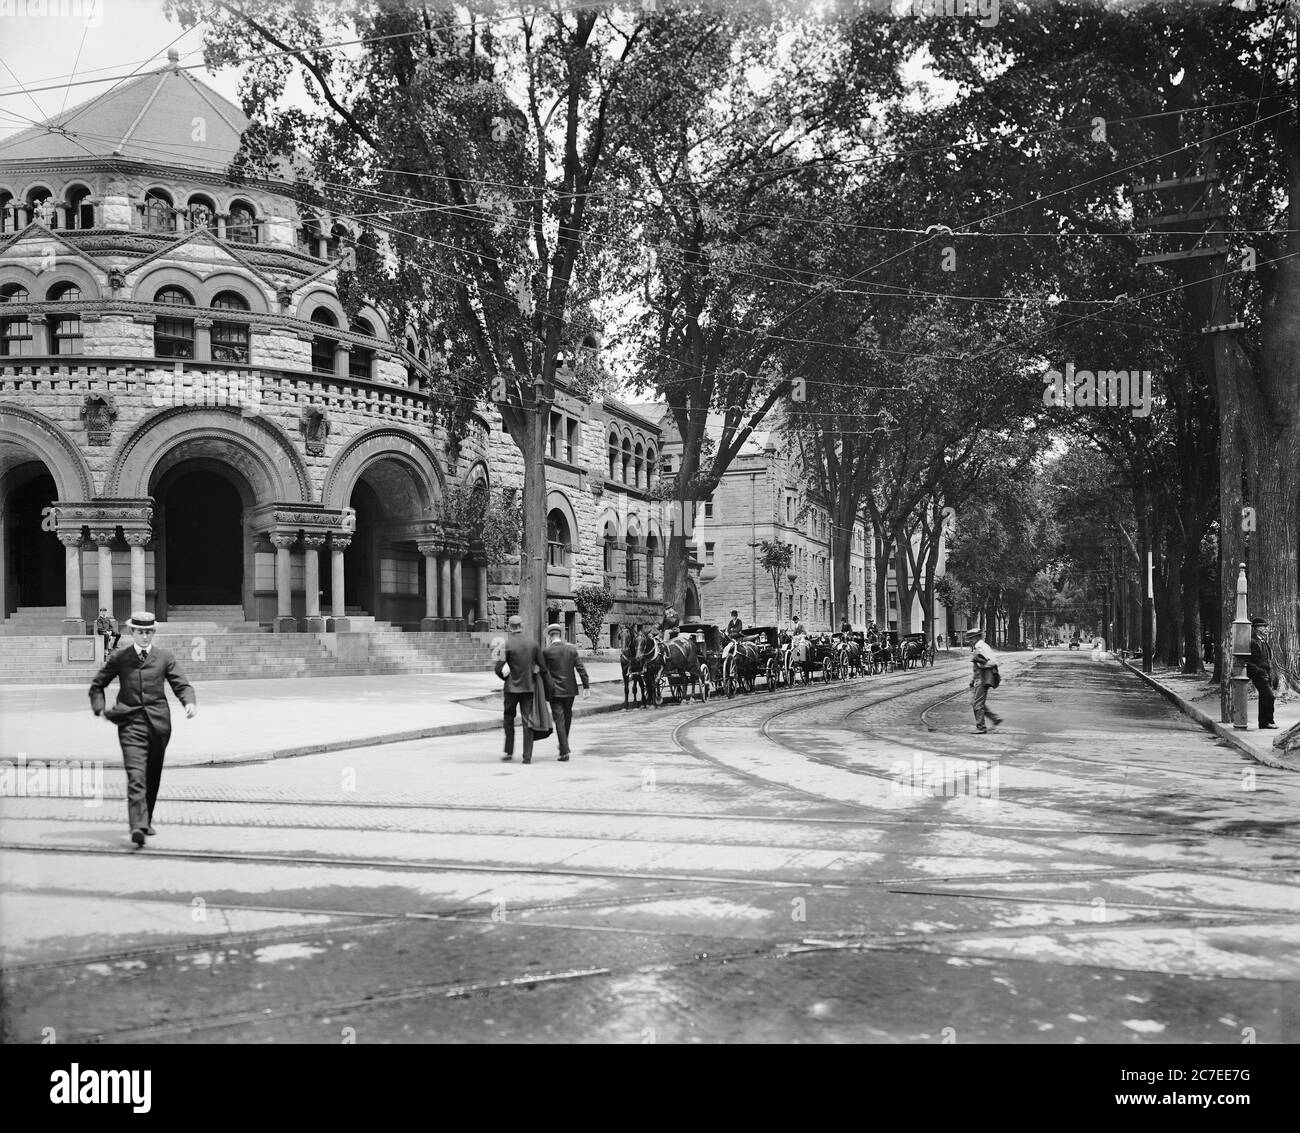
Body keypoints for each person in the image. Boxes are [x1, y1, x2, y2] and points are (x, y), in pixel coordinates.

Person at [88, 611, 196, 848]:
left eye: (149, 632)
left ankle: (145, 820)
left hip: (158, 725)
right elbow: (98, 685)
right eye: (140, 632)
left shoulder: (164, 657)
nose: (145, 636)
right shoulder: (120, 657)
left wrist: (189, 702)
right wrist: (99, 707)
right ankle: (137, 826)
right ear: (132, 632)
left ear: (153, 633)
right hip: (130, 723)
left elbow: (181, 684)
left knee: (152, 774)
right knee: (136, 775)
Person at [495, 614, 546, 763]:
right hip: (528, 688)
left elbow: (498, 668)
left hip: (511, 689)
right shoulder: (533, 644)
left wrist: (506, 678)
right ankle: (527, 756)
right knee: (527, 721)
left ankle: (509, 752)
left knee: (508, 719)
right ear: (522, 626)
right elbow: (543, 666)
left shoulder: (505, 645)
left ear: (510, 628)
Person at [543, 623, 591, 761]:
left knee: (559, 719)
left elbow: (543, 672)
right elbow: (580, 668)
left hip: (555, 691)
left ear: (550, 636)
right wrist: (586, 686)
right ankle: (564, 743)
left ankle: (564, 751)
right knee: (567, 717)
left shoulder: (546, 652)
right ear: (560, 635)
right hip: (570, 690)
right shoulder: (571, 650)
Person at [966, 627, 1002, 734]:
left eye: (971, 638)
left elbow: (993, 662)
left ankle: (981, 727)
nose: (970, 641)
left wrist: (981, 663)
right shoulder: (978, 647)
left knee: (977, 704)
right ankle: (994, 719)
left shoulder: (982, 647)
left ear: (977, 637)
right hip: (978, 678)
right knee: (976, 702)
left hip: (983, 679)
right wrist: (973, 679)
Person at [1246, 616, 1280, 730]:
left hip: (1266, 673)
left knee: (1264, 698)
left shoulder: (1264, 641)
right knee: (1270, 697)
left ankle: (1263, 723)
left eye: (1266, 626)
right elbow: (1246, 660)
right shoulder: (1252, 641)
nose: (1266, 629)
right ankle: (1269, 721)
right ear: (1256, 628)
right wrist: (1258, 671)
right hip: (1259, 674)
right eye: (1263, 626)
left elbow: (1267, 659)